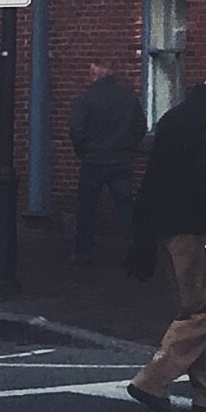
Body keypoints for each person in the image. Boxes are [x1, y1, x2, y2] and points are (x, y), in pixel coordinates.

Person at [124, 62, 206, 412]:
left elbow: (151, 178)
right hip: (199, 227)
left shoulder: (175, 116)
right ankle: (153, 380)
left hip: (165, 227)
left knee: (194, 308)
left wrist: (142, 232)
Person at [63, 59, 145, 264]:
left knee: (86, 207)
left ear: (96, 75)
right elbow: (140, 127)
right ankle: (134, 248)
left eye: (91, 72)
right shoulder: (128, 98)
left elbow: (76, 129)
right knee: (126, 206)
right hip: (120, 160)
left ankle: (83, 251)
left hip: (93, 161)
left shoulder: (87, 100)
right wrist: (128, 148)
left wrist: (84, 151)